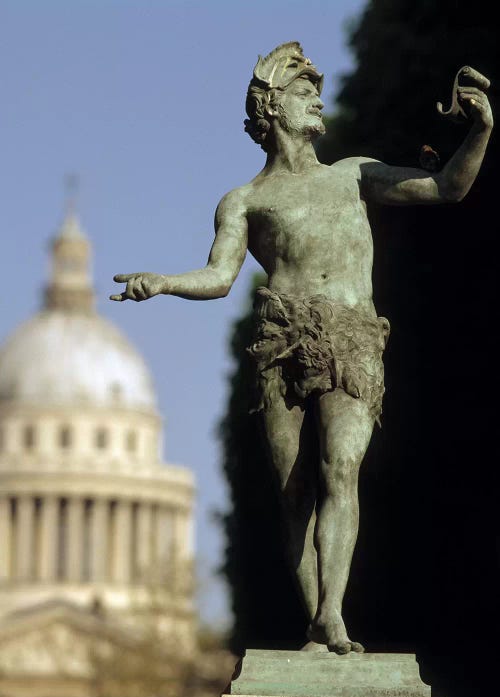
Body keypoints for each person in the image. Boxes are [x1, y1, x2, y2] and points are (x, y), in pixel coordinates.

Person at [111, 42, 492, 654]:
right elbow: (219, 277)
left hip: (351, 336)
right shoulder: (245, 200)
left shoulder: (354, 174)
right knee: (295, 495)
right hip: (281, 345)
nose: (317, 99)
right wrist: (163, 282)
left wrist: (480, 130)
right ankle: (316, 620)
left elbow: (447, 187)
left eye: (315, 91)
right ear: (271, 109)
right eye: (302, 92)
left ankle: (331, 616)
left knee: (340, 468)